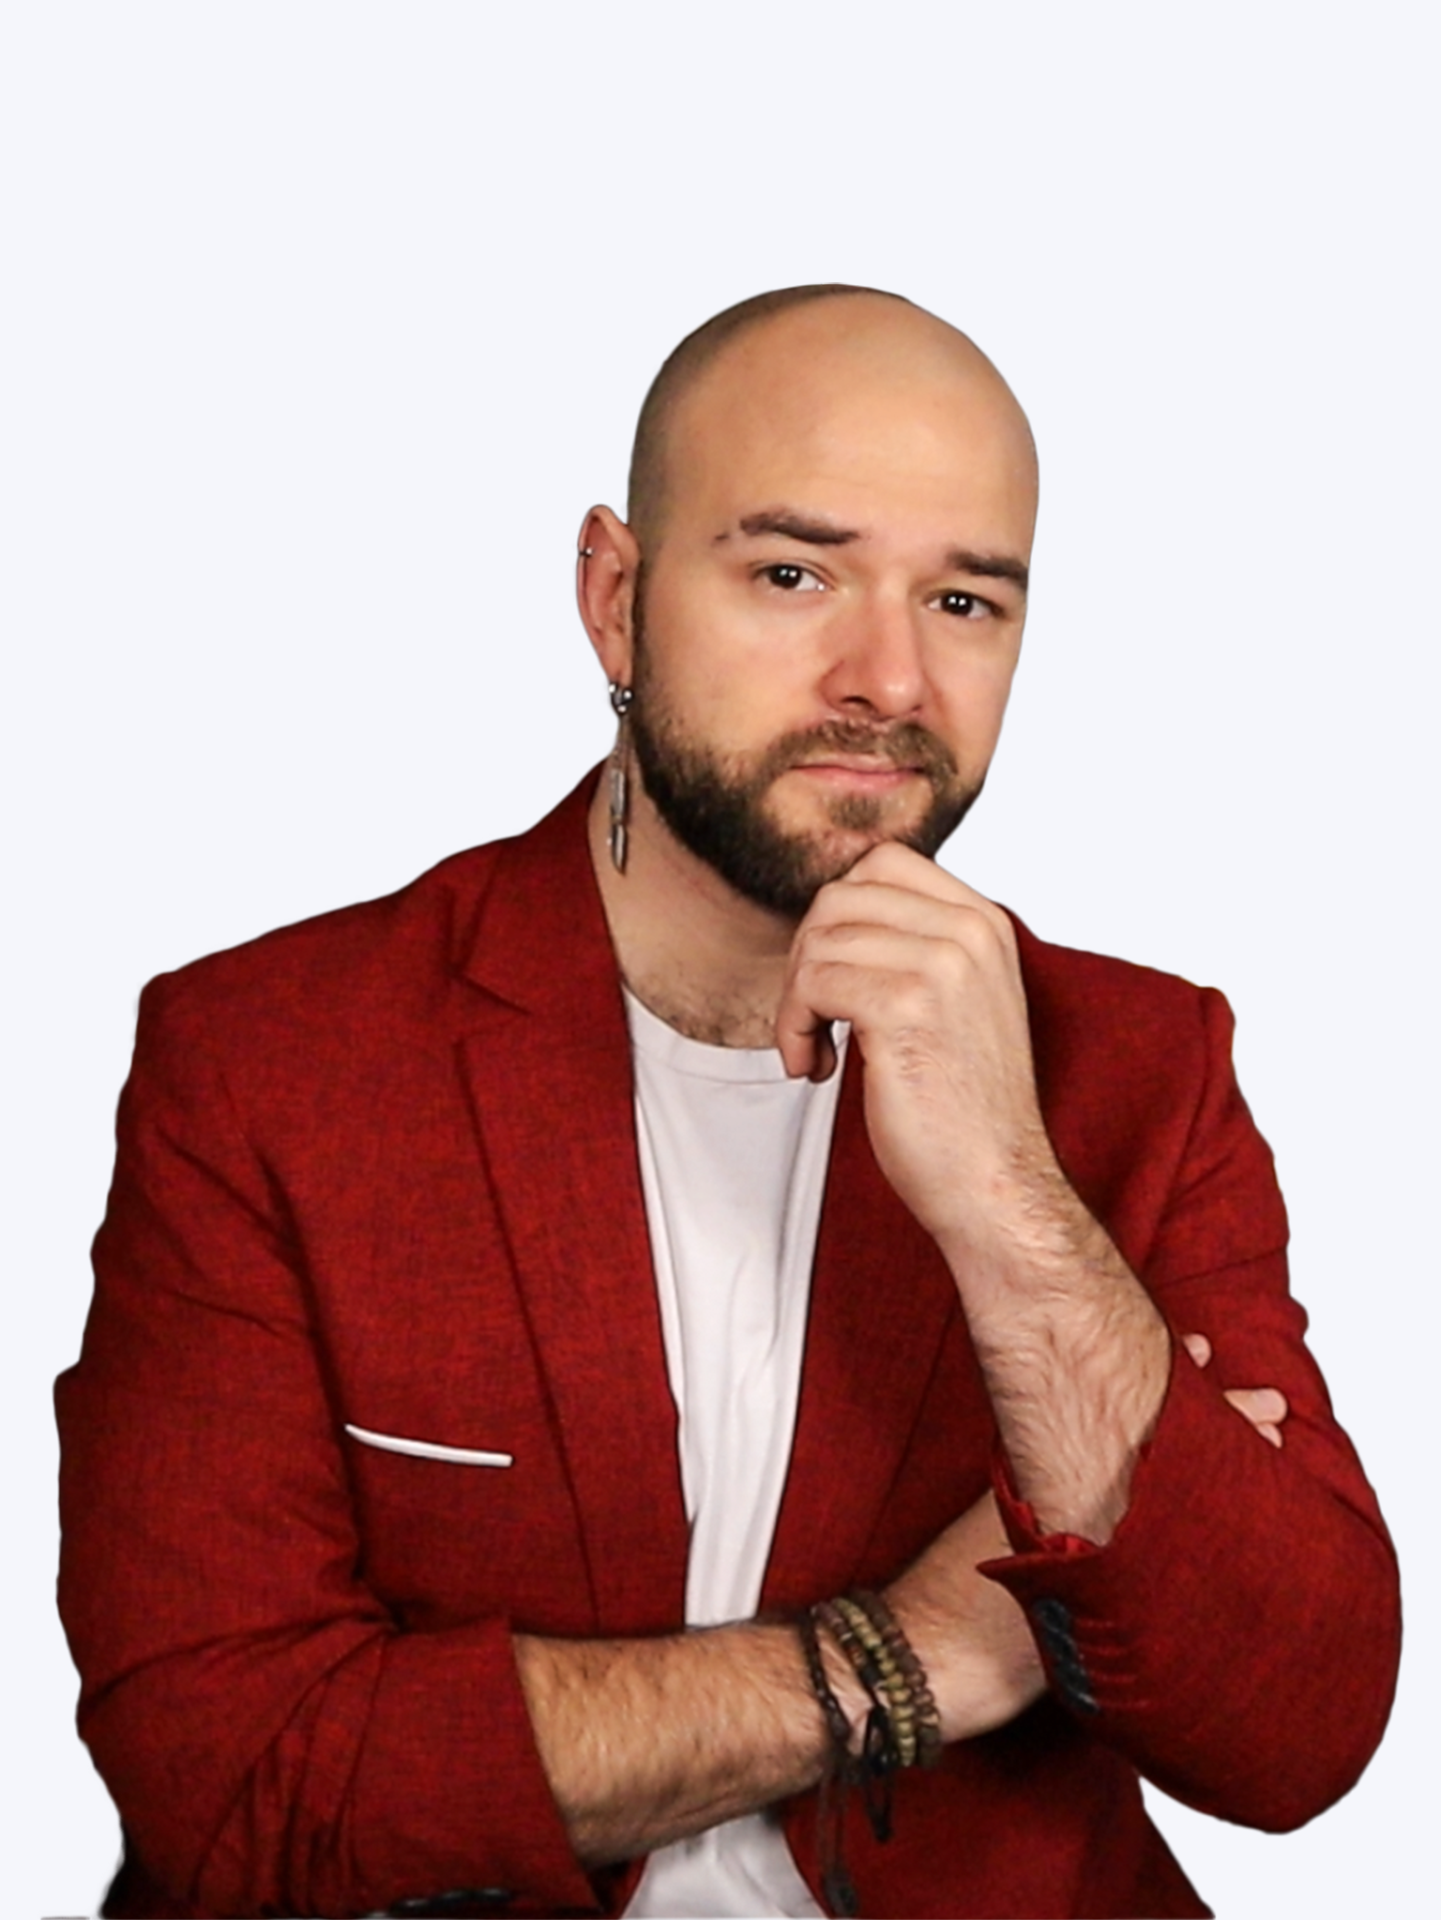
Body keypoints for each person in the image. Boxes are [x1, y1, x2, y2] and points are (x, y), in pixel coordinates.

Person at [56, 285, 1400, 1920]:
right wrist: (913, 1658)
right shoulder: (274, 1060)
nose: (890, 679)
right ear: (615, 601)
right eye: (792, 574)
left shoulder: (1140, 1065)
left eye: (964, 600)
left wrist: (1010, 1203)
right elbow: (235, 1783)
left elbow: (1295, 1738)